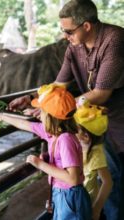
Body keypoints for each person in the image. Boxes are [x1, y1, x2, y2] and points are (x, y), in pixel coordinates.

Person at [8, 1, 124, 219]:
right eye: (63, 30)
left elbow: (101, 93)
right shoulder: (74, 47)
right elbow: (59, 85)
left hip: (116, 119)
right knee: (101, 174)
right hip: (91, 119)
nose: (65, 35)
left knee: (115, 178)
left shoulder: (114, 40)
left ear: (87, 26)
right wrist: (34, 98)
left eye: (69, 31)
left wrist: (54, 106)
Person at [0, 85, 91, 220]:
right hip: (60, 192)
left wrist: (39, 164)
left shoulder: (65, 140)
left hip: (69, 197)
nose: (39, 114)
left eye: (41, 111)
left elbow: (72, 179)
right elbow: (25, 125)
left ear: (51, 117)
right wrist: (2, 117)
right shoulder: (52, 133)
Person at [74, 97, 113, 220]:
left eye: (75, 129)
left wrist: (96, 209)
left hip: (88, 207)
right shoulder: (78, 146)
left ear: (85, 136)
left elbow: (107, 182)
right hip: (76, 203)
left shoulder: (95, 153)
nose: (71, 131)